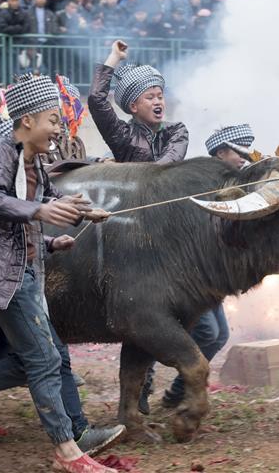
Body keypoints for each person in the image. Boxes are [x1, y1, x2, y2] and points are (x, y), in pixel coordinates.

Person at [0, 74, 117, 473]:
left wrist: (78, 210)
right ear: (28, 119)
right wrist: (42, 212)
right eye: (52, 119)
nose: (58, 129)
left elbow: (42, 199)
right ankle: (67, 451)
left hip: (25, 269)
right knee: (46, 358)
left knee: (39, 357)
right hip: (0, 274)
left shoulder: (33, 159)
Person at [88, 40, 189, 413]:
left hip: (169, 234)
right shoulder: (123, 136)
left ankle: (149, 392)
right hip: (131, 236)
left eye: (160, 94)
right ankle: (138, 398)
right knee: (140, 312)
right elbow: (98, 101)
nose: (159, 101)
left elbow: (167, 169)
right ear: (133, 107)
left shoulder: (177, 132)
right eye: (150, 97)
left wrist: (127, 170)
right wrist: (113, 58)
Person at [159, 124, 254, 408]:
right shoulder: (198, 181)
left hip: (211, 274)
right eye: (239, 154)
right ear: (222, 152)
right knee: (207, 333)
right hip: (187, 273)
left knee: (219, 335)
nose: (244, 160)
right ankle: (174, 390)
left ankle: (176, 393)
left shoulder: (232, 185)